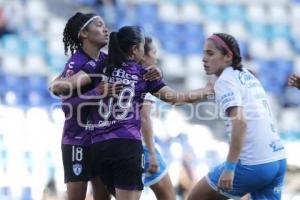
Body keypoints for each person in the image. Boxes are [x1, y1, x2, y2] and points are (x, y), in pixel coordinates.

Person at [66, 26, 213, 200]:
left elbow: (65, 91)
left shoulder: (98, 66)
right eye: (142, 48)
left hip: (98, 148)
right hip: (127, 146)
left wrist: (95, 92)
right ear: (135, 50)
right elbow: (176, 98)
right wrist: (207, 90)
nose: (144, 53)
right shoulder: (144, 75)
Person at [188, 33, 286, 200]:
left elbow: (240, 123)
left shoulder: (226, 80)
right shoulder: (248, 75)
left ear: (228, 56)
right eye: (203, 53)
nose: (204, 59)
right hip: (277, 159)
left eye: (210, 54)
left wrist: (230, 167)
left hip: (252, 164)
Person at [48, 12, 111, 200]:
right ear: (84, 33)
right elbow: (66, 106)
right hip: (77, 139)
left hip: (99, 138)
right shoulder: (76, 64)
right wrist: (96, 93)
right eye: (99, 25)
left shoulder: (104, 59)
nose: (105, 29)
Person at [140, 37, 176, 200]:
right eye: (153, 52)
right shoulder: (146, 77)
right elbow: (144, 117)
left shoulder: (123, 74)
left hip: (118, 144)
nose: (155, 56)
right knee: (169, 197)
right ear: (143, 55)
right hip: (142, 146)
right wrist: (152, 152)